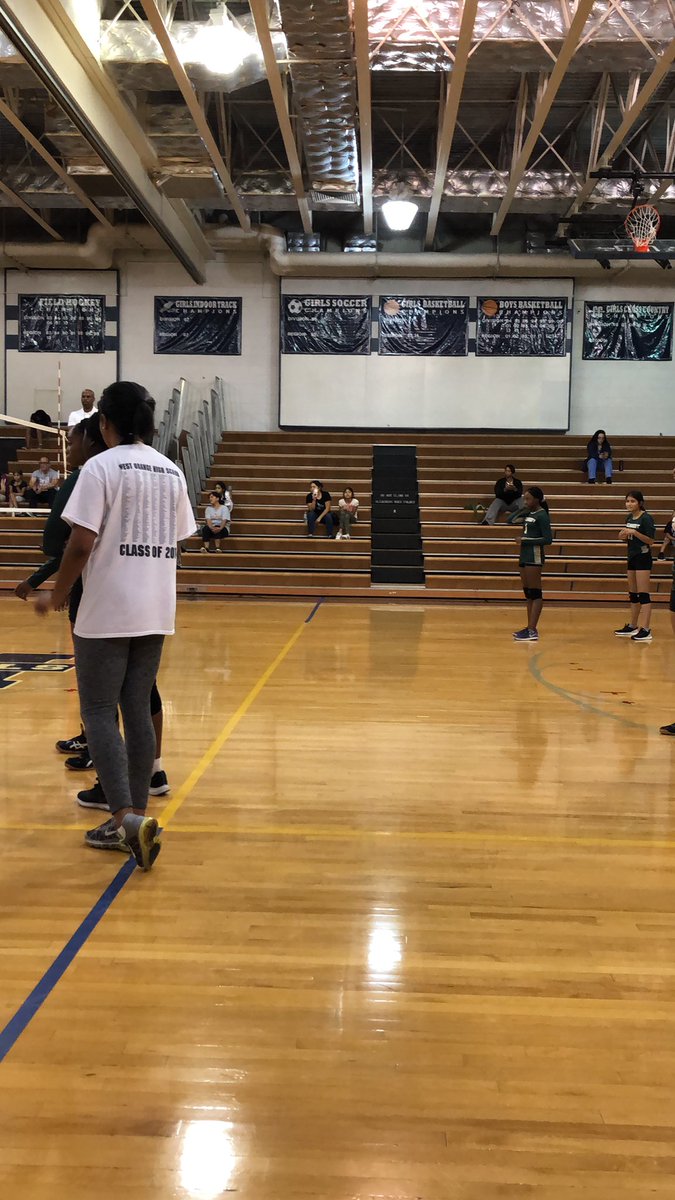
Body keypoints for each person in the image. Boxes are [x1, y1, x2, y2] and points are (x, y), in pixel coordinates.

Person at [35, 381, 196, 869]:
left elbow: (81, 544)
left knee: (100, 711)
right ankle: (139, 815)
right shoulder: (171, 470)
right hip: (155, 608)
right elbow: (179, 541)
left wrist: (57, 594)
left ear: (104, 422)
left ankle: (123, 818)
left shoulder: (100, 467)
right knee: (137, 706)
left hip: (107, 609)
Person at [513, 487, 553, 643]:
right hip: (524, 555)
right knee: (528, 593)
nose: (525, 501)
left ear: (537, 499)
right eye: (524, 498)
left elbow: (548, 539)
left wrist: (525, 541)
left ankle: (532, 629)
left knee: (535, 593)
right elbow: (510, 520)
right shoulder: (530, 513)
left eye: (528, 499)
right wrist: (523, 509)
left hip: (534, 557)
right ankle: (529, 626)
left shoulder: (542, 515)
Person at [615, 490, 655, 642]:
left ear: (640, 503)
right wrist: (622, 536)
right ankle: (633, 625)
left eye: (632, 501)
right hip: (632, 556)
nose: (629, 504)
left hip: (643, 557)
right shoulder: (629, 517)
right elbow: (629, 537)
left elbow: (651, 541)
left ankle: (646, 629)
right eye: (627, 501)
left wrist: (635, 532)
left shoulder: (646, 518)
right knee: (633, 594)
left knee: (643, 594)